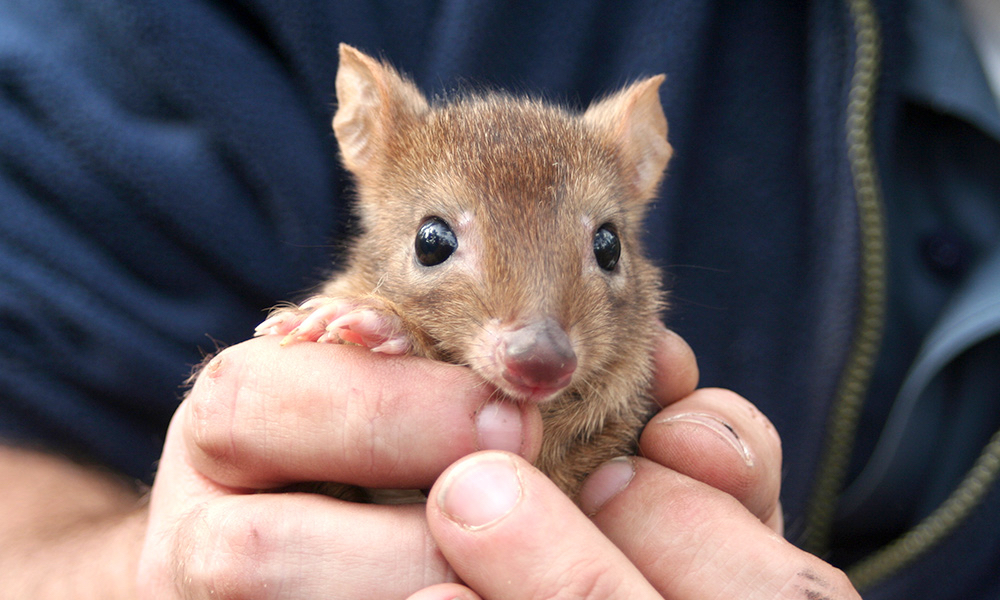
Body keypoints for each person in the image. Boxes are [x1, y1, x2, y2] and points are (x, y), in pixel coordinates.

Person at [1, 0, 998, 598]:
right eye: (442, 246)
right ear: (366, 139)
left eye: (597, 248)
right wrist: (154, 573)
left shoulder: (633, 362)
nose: (539, 336)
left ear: (642, 161)